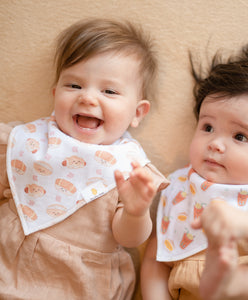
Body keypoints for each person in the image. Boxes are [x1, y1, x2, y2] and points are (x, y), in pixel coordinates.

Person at [0, 18, 169, 300]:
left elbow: (128, 238)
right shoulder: (27, 142)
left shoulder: (130, 169)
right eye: (74, 85)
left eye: (109, 91)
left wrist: (136, 211)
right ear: (55, 95)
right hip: (7, 266)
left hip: (82, 285)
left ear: (138, 113)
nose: (88, 98)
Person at [141, 40, 248, 300]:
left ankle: (236, 282)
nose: (215, 143)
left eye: (240, 136)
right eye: (207, 127)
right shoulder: (180, 191)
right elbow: (155, 260)